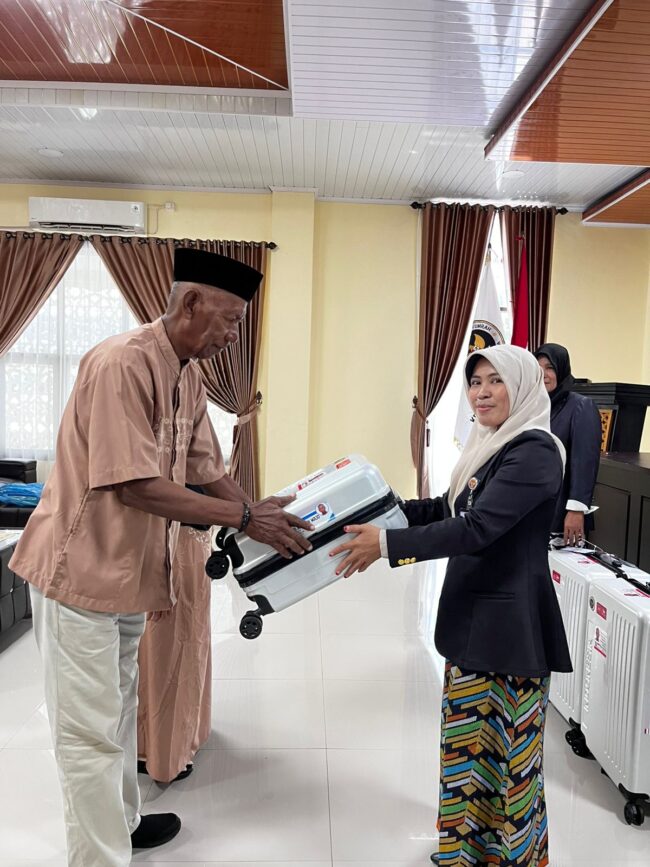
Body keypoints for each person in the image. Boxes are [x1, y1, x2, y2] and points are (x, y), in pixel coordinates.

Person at [9, 247, 313, 867]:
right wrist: (245, 519)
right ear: (191, 303)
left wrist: (258, 512)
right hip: (78, 575)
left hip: (130, 577)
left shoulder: (187, 374)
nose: (233, 336)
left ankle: (121, 825)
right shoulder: (122, 363)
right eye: (230, 320)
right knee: (88, 732)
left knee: (120, 711)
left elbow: (205, 468)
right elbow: (135, 485)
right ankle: (99, 858)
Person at [331, 344, 572, 867]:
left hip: (511, 633)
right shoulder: (490, 446)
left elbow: (477, 527)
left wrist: (387, 545)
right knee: (468, 752)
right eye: (475, 382)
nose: (481, 393)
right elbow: (447, 507)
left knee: (508, 759)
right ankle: (466, 853)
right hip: (474, 624)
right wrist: (381, 511)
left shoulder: (535, 451)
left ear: (523, 387)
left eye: (495, 381)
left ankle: (513, 857)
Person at [136, 485, 212, 784]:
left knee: (187, 639)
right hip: (169, 538)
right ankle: (160, 751)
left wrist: (247, 513)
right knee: (167, 646)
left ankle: (181, 735)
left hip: (188, 535)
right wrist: (246, 515)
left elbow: (208, 474)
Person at [534, 343, 602, 545]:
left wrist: (576, 510)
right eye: (538, 368)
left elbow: (585, 461)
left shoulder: (580, 405)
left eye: (550, 368)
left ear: (562, 369)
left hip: (563, 513)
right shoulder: (534, 407)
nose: (543, 374)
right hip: (535, 507)